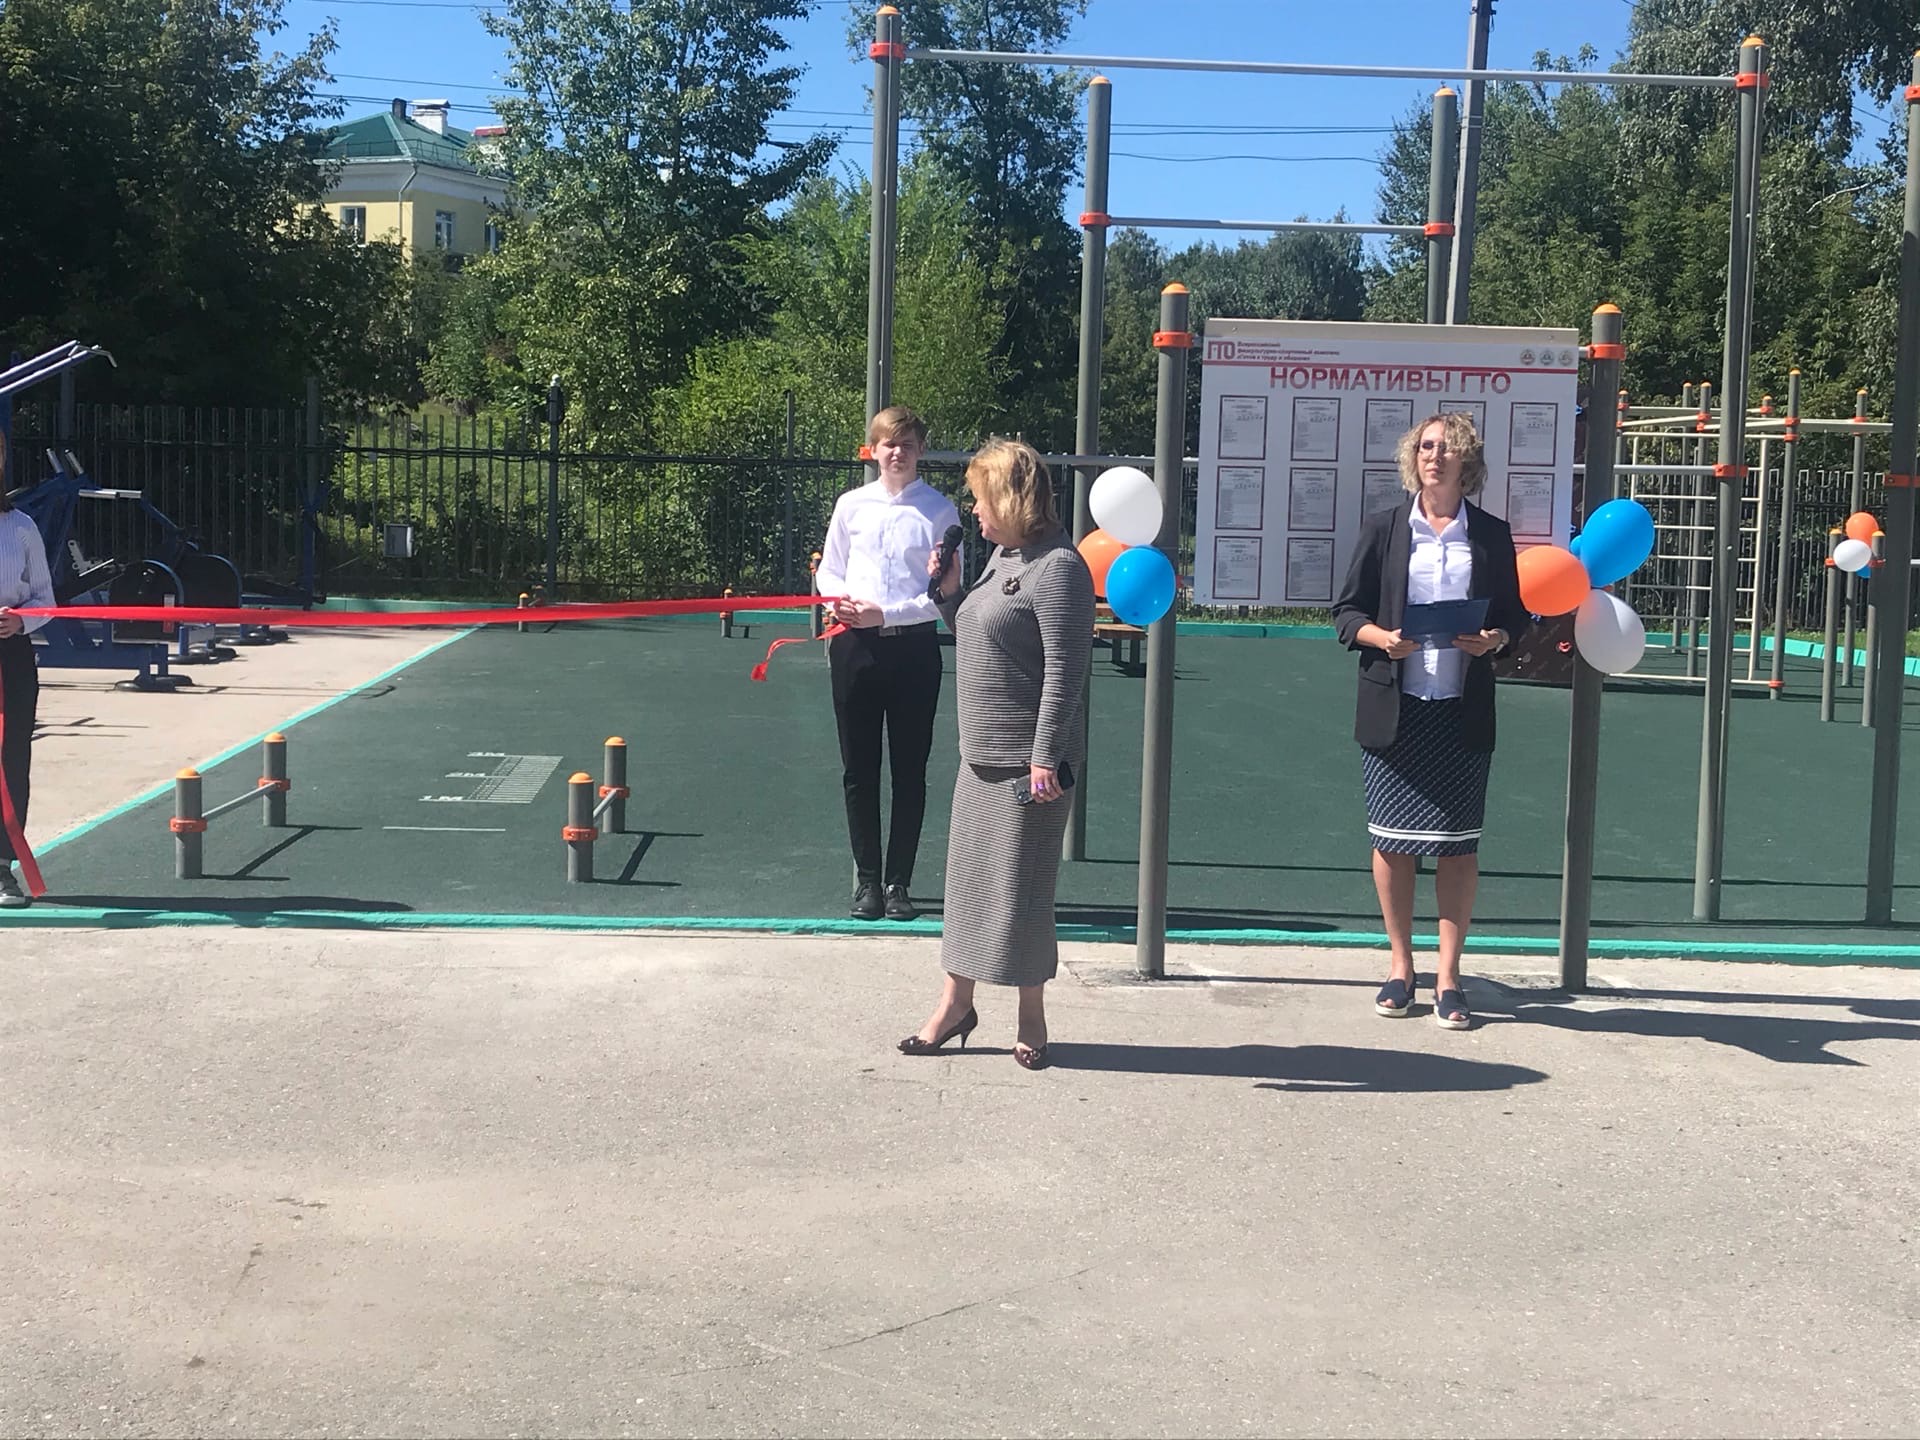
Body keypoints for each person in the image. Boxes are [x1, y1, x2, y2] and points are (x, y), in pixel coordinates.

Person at [1331, 412, 1526, 1030]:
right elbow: (1346, 613)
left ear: (1467, 460)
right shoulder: (1385, 528)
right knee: (1392, 842)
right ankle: (1400, 967)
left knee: (1457, 847)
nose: (1433, 456)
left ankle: (1449, 977)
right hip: (1396, 707)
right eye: (1424, 446)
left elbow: (1516, 618)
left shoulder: (1490, 535)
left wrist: (1494, 639)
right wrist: (1381, 638)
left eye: (1445, 447)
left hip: (1461, 710)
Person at [903, 439, 1094, 1070]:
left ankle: (1031, 1017)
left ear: (1011, 499)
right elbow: (980, 635)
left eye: (982, 499)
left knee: (1022, 896)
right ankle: (955, 1005)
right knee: (967, 890)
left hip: (1028, 768)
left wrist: (1045, 758)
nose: (975, 511)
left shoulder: (1060, 567)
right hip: (980, 758)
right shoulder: (1001, 557)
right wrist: (949, 594)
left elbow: (1066, 671)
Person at [815, 405, 961, 921]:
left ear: (921, 451)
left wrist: (888, 613)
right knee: (859, 769)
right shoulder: (851, 505)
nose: (898, 453)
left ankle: (899, 882)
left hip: (914, 649)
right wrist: (839, 601)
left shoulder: (940, 510)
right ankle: (868, 882)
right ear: (873, 450)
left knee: (909, 769)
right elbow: (830, 570)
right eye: (888, 444)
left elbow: (944, 592)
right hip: (855, 648)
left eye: (907, 444)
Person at [0, 444, 53, 907]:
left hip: (10, 655)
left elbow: (44, 599)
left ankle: (2, 865)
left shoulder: (21, 527)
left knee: (11, 755)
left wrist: (21, 621)